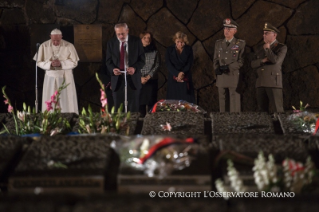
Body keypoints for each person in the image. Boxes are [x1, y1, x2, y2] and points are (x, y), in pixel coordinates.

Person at [34, 28, 79, 113]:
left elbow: (74, 62)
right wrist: (50, 64)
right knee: (50, 98)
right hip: (50, 77)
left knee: (65, 99)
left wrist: (61, 63)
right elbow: (39, 62)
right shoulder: (43, 46)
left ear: (61, 37)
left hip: (66, 77)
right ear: (50, 37)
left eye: (58, 40)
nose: (56, 42)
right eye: (53, 40)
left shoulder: (69, 46)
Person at [106, 23, 145, 112]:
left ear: (127, 31)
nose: (121, 36)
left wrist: (134, 68)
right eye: (118, 34)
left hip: (133, 79)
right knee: (118, 107)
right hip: (117, 79)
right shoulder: (111, 43)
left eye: (123, 33)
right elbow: (108, 61)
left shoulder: (136, 41)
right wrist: (113, 69)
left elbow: (142, 60)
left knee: (133, 106)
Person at [251, 23, 287, 113]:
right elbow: (252, 64)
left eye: (266, 33)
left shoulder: (281, 47)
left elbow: (275, 61)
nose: (264, 35)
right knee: (262, 111)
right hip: (260, 82)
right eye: (263, 33)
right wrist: (262, 61)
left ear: (274, 35)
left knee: (278, 110)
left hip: (273, 82)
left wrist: (267, 49)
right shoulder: (260, 48)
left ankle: (280, 126)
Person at [213, 18, 245, 112]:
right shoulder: (218, 43)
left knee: (234, 105)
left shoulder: (240, 44)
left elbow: (241, 61)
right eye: (225, 28)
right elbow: (215, 59)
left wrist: (228, 67)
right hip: (221, 77)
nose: (226, 31)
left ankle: (235, 124)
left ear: (235, 31)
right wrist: (216, 69)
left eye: (229, 29)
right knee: (222, 105)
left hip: (233, 77)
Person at [165, 31, 195, 103]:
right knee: (173, 100)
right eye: (178, 42)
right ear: (175, 40)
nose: (180, 44)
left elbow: (189, 63)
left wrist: (182, 73)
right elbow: (168, 64)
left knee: (187, 100)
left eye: (182, 42)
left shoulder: (189, 49)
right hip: (173, 77)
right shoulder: (169, 49)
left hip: (185, 76)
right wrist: (177, 74)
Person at [139, 31, 160, 117]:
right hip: (139, 81)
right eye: (145, 38)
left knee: (151, 105)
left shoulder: (155, 52)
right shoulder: (135, 52)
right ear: (141, 39)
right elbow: (132, 65)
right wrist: (139, 78)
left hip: (151, 81)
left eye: (149, 38)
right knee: (140, 106)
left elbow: (157, 65)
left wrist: (149, 76)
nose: (147, 39)